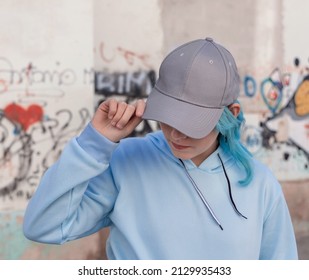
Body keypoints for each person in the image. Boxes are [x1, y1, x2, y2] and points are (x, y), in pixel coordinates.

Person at [23, 37, 298, 260]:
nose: (175, 133)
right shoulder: (126, 162)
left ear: (231, 113)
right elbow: (43, 226)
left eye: (192, 123)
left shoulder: (260, 184)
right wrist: (95, 144)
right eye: (167, 117)